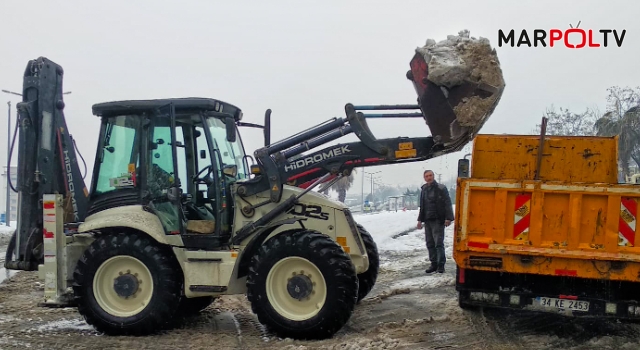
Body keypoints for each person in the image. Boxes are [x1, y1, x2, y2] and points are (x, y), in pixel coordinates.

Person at [416, 170, 454, 274]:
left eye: (430, 175)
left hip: (438, 219)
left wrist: (448, 218)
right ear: (424, 178)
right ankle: (434, 264)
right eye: (427, 176)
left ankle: (441, 265)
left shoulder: (441, 188)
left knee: (438, 243)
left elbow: (447, 203)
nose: (429, 177)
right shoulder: (424, 189)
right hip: (428, 220)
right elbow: (422, 206)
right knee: (430, 243)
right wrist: (420, 220)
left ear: (433, 176)